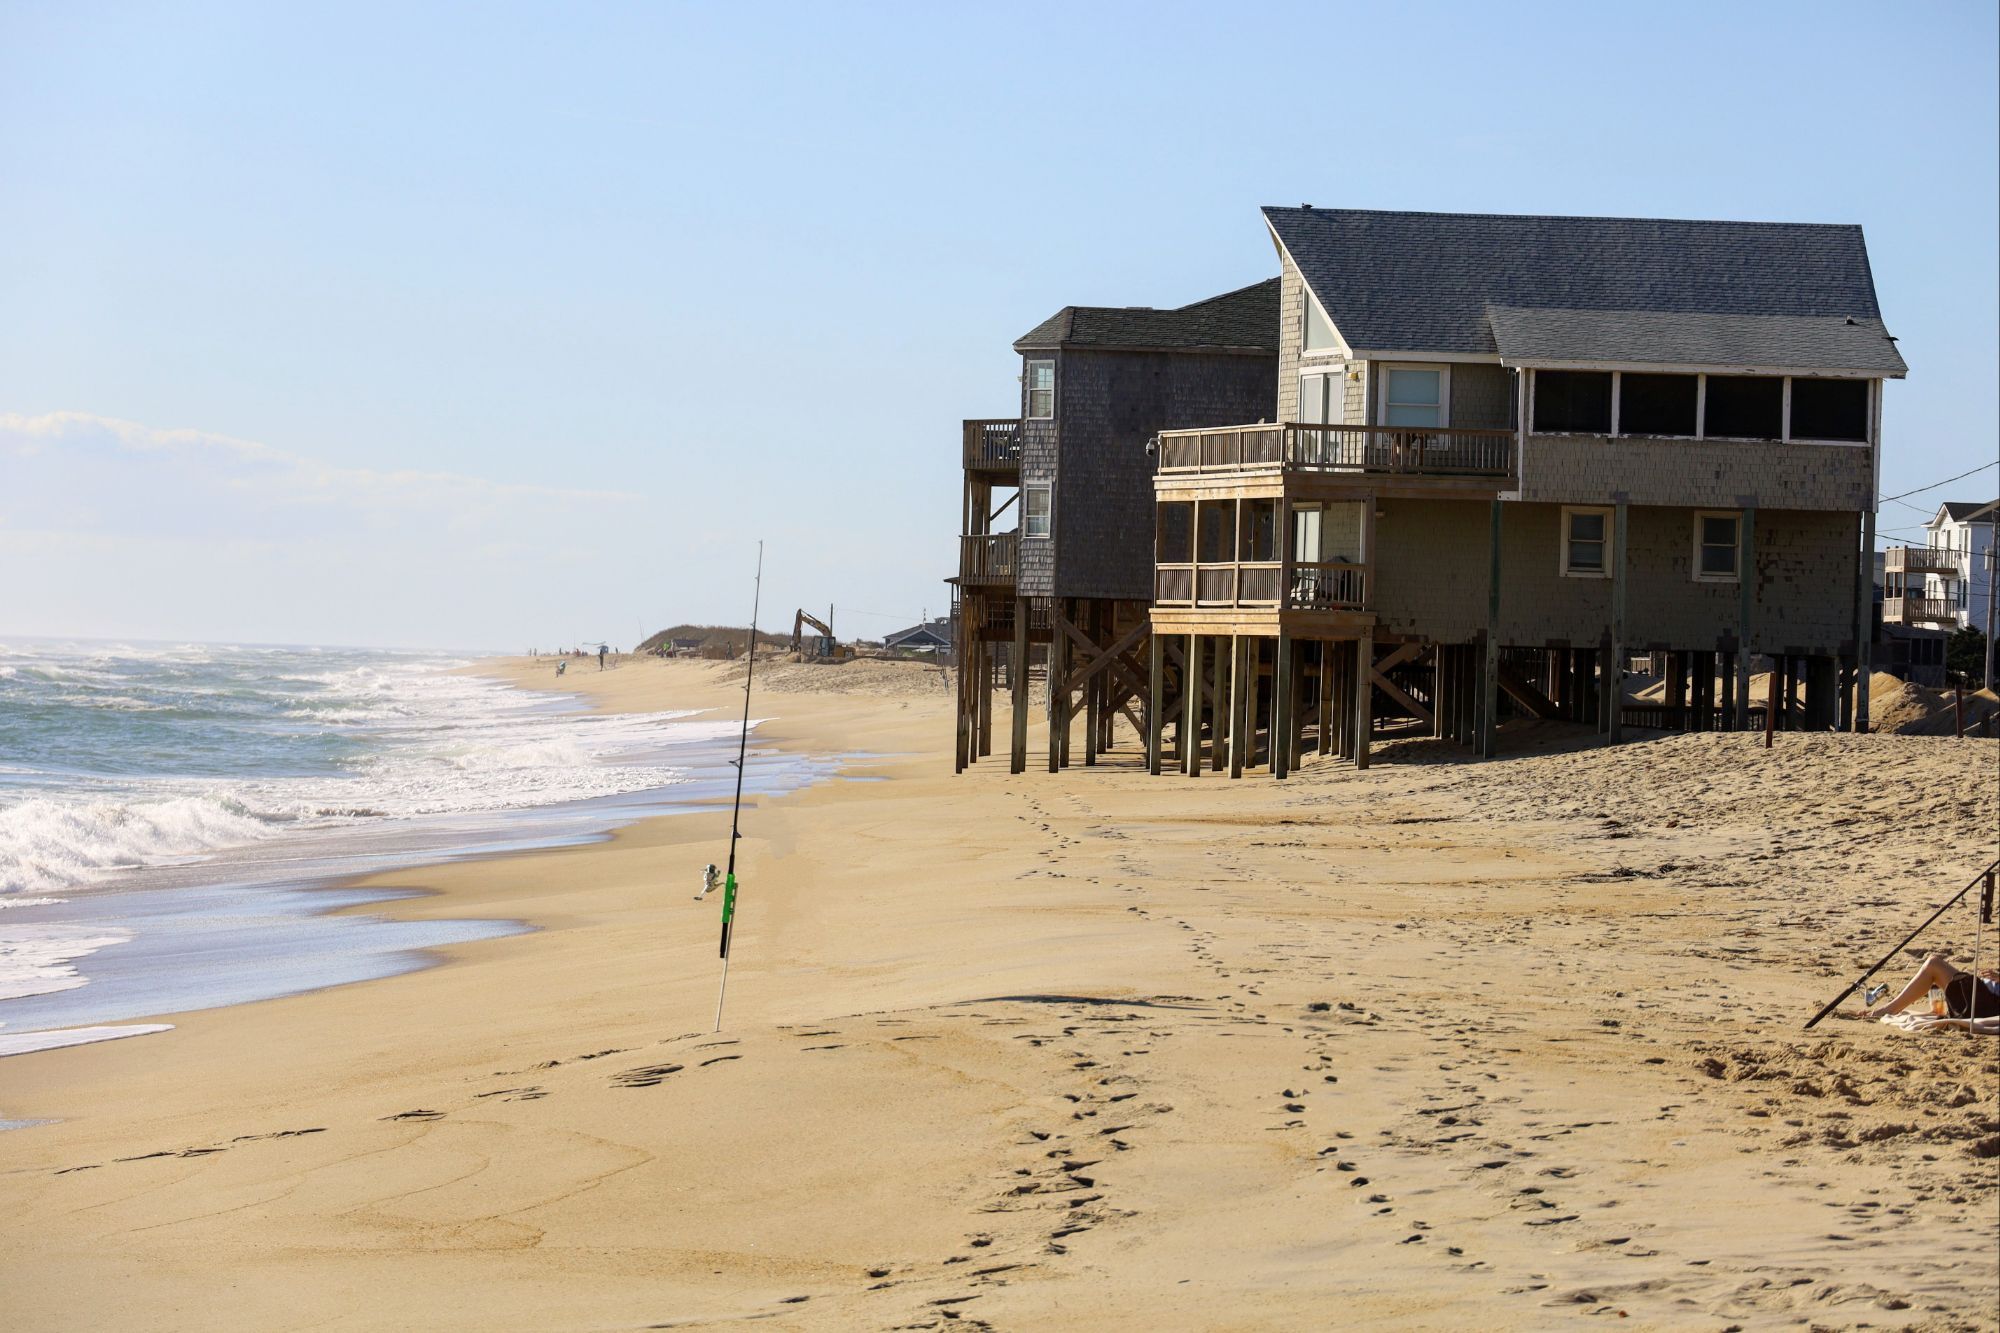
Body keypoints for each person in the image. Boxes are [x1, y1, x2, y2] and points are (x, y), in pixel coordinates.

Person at [1859, 953, 2000, 1024]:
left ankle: (1888, 1010)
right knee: (1939, 973)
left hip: (1987, 1003)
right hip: (1984, 994)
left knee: (1934, 964)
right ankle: (1938, 1011)